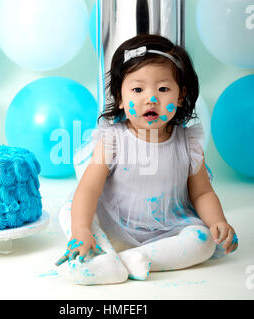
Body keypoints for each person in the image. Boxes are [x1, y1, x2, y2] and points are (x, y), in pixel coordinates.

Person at [54, 34, 238, 285]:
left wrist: (218, 221)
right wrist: (82, 230)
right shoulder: (113, 140)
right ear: (120, 97)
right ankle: (100, 248)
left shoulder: (189, 143)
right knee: (69, 210)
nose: (151, 99)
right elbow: (88, 188)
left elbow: (202, 193)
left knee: (203, 241)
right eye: (138, 89)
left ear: (180, 96)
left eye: (163, 89)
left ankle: (128, 260)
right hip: (114, 226)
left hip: (167, 231)